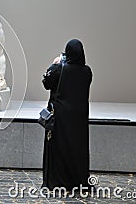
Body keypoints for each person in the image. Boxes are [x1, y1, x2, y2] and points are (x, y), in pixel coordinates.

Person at [41, 39, 93, 191]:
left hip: (61, 119)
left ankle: (57, 182)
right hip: (79, 119)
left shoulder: (59, 69)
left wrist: (55, 64)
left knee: (59, 149)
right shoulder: (87, 71)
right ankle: (78, 181)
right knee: (78, 149)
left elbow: (46, 82)